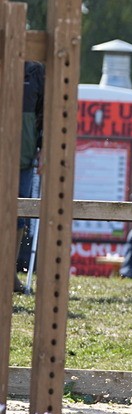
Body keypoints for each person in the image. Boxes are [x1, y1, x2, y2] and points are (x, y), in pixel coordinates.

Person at [15, 60, 44, 292]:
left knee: (20, 216)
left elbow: (44, 115)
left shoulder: (36, 72)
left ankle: (8, 273)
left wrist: (43, 150)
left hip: (23, 158)